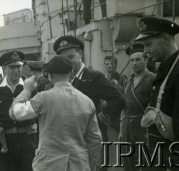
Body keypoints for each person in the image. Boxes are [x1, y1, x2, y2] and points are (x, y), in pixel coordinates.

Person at [9, 55, 102, 171]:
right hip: (79, 165)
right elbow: (95, 140)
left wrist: (27, 90)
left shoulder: (43, 98)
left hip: (49, 165)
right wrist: (90, 166)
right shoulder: (87, 102)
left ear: (50, 76)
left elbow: (14, 113)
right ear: (71, 73)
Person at [53, 35, 126, 171]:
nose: (67, 63)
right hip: (70, 143)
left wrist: (101, 117)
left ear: (80, 54)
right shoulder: (64, 81)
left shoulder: (94, 77)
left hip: (92, 142)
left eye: (70, 57)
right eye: (63, 59)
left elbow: (118, 99)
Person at [136, 16, 179, 170]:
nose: (145, 52)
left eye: (148, 44)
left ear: (165, 38)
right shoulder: (166, 69)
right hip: (157, 157)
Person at [0, 51, 38, 171]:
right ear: (4, 68)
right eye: (12, 67)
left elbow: (39, 116)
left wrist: (36, 142)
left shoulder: (30, 88)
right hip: (4, 143)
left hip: (27, 141)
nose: (16, 70)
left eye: (18, 66)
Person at [119, 43, 155, 171]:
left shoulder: (153, 79)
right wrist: (121, 130)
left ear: (146, 59)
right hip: (128, 127)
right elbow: (124, 106)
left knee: (146, 163)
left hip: (143, 128)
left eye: (138, 59)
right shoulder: (128, 81)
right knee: (128, 164)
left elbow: (155, 106)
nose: (134, 63)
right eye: (132, 60)